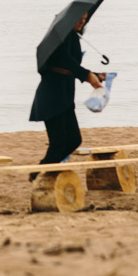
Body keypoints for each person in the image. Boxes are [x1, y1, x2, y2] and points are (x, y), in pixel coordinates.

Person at [29, 12, 105, 171]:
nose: (81, 22)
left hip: (65, 96)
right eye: (79, 19)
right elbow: (68, 63)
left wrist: (96, 75)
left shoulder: (73, 38)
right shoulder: (59, 41)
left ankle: (46, 170)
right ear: (70, 19)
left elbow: (71, 68)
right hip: (51, 96)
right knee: (59, 142)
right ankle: (40, 173)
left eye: (84, 20)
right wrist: (88, 76)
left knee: (74, 140)